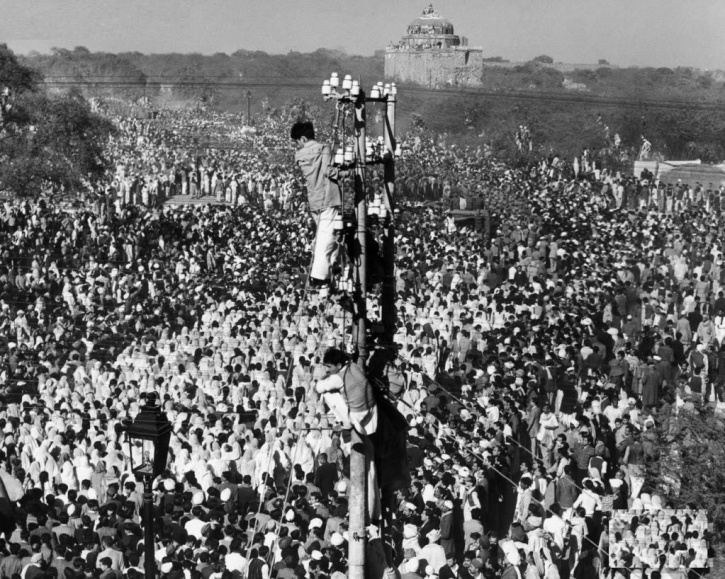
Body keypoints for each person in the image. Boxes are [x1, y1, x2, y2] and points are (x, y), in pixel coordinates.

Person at [291, 120, 342, 288]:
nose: (297, 145)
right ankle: (320, 275)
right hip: (327, 198)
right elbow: (329, 171)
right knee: (327, 236)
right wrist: (345, 171)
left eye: (296, 141)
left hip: (313, 200)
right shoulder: (323, 149)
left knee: (330, 234)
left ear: (302, 139)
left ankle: (331, 267)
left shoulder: (299, 155)